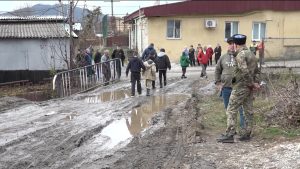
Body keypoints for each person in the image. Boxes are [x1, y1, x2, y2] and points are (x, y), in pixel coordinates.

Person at [217, 34, 260, 143]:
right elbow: (257, 70)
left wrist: (251, 83)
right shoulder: (251, 53)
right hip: (248, 88)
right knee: (248, 110)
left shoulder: (240, 55)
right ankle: (246, 133)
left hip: (241, 86)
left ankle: (229, 134)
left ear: (235, 44)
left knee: (231, 109)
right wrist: (256, 83)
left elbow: (244, 71)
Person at [215, 37, 245, 129]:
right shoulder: (223, 57)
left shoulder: (241, 56)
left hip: (238, 88)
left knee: (241, 109)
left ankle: (243, 128)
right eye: (230, 44)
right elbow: (217, 70)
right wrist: (218, 83)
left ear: (237, 45)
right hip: (226, 88)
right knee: (228, 109)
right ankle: (231, 129)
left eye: (234, 43)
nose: (232, 45)